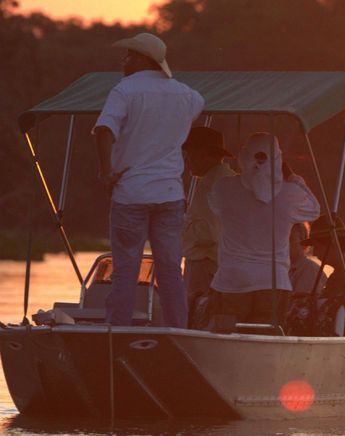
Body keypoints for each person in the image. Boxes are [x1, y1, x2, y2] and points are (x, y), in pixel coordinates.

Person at [93, 33, 204, 327]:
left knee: (126, 268)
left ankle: (117, 329)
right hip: (169, 194)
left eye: (129, 55)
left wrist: (106, 172)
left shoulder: (124, 90)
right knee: (170, 267)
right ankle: (178, 329)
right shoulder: (188, 95)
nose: (124, 60)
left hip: (131, 193)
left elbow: (104, 130)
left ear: (144, 60)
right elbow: (198, 106)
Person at [208, 132, 320, 324]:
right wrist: (292, 178)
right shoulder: (290, 194)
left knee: (225, 339)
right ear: (278, 159)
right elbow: (314, 210)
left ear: (244, 156)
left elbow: (214, 206)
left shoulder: (223, 188)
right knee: (265, 340)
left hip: (231, 281)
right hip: (274, 284)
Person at [181, 127, 236, 328]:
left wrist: (178, 224)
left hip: (205, 264)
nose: (186, 159)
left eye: (191, 153)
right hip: (210, 263)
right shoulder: (222, 178)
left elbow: (210, 232)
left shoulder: (215, 182)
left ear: (205, 153)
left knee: (198, 318)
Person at [289, 222, 326, 294]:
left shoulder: (310, 270)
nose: (286, 244)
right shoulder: (287, 269)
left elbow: (301, 302)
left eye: (291, 239)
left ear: (303, 243)